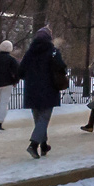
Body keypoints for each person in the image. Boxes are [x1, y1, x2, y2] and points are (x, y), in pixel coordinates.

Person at [19, 26, 66, 159]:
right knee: (44, 119)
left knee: (38, 119)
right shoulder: (53, 52)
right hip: (48, 89)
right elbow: (61, 68)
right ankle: (34, 145)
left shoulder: (29, 52)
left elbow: (20, 71)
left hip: (32, 90)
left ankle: (44, 145)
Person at [0, 40, 21, 130]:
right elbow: (17, 72)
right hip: (7, 83)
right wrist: (15, 81)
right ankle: (0, 122)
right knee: (4, 103)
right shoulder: (12, 60)